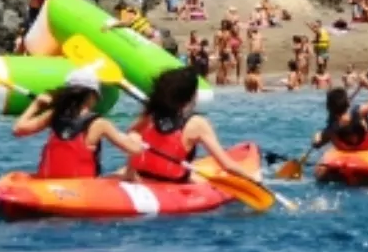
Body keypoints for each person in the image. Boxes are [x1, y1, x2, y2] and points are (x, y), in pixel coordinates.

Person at [125, 67, 264, 187]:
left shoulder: (150, 115)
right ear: (191, 96)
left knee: (134, 137)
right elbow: (227, 165)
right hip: (173, 183)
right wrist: (254, 179)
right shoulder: (197, 123)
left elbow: (130, 135)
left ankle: (129, 174)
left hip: (143, 176)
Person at [14, 67, 144, 176]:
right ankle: (130, 176)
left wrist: (36, 105)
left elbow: (18, 129)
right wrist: (136, 138)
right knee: (122, 170)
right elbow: (134, 150)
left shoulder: (53, 115)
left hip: (49, 181)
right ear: (92, 96)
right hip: (81, 187)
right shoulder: (99, 124)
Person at [312, 73, 368, 155]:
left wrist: (317, 138)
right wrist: (367, 82)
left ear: (328, 108)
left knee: (322, 134)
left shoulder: (330, 129)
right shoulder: (359, 112)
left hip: (348, 150)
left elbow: (317, 144)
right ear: (347, 104)